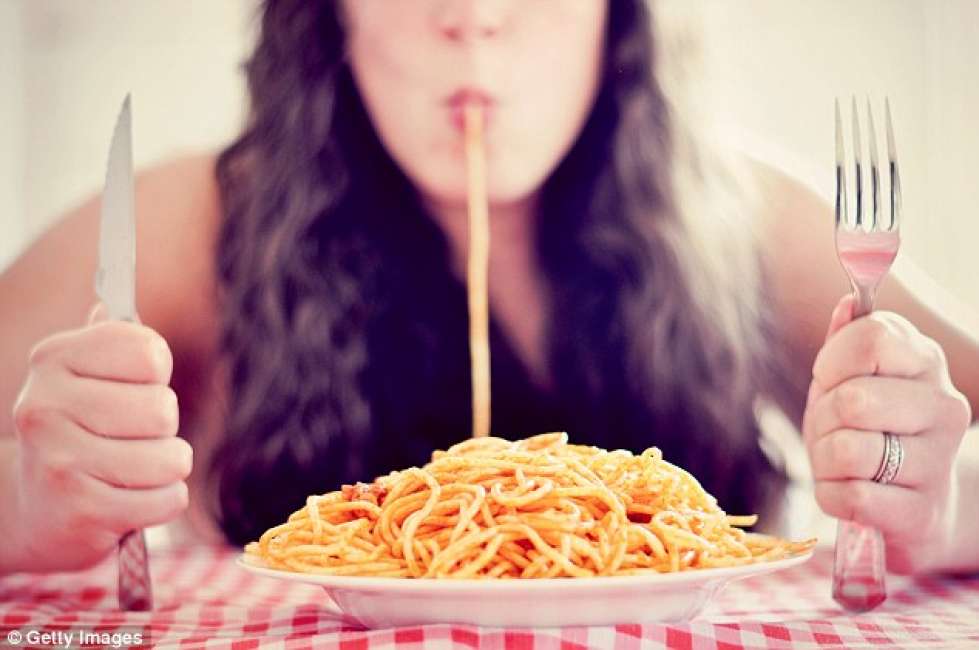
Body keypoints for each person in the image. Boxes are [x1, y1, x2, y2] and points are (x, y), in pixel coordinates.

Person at [0, 0, 976, 577]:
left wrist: (940, 509)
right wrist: (25, 503)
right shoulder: (194, 217)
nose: (471, 19)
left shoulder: (746, 216)